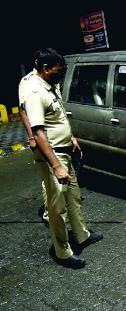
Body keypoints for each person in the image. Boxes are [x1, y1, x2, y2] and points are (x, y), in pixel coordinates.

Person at [21, 48, 103, 268]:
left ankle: (82, 235)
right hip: (53, 156)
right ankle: (62, 252)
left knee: (74, 196)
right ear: (46, 69)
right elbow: (38, 132)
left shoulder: (50, 85)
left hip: (65, 149)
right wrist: (56, 165)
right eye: (59, 71)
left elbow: (57, 118)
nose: (62, 74)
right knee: (57, 207)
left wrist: (72, 137)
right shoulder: (34, 91)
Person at [19, 57, 49, 225]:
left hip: (50, 134)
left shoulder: (46, 80)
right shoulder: (27, 82)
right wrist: (31, 137)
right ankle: (48, 213)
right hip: (39, 135)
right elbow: (23, 110)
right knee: (47, 177)